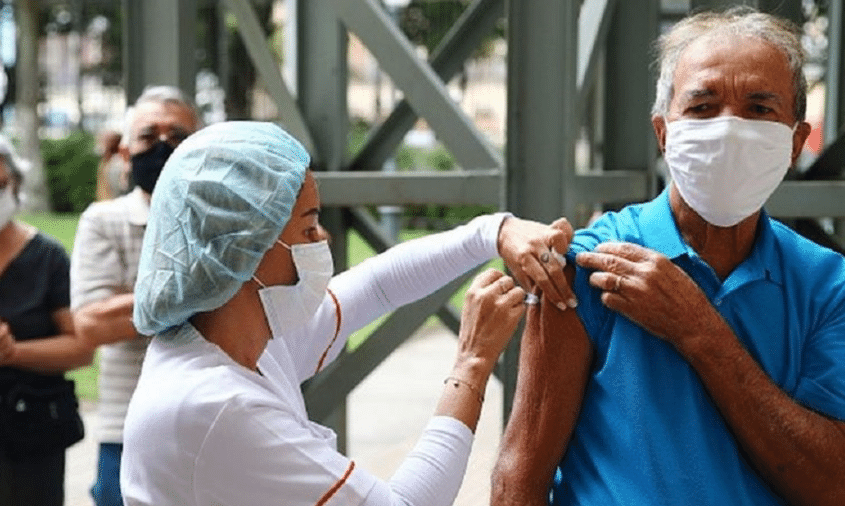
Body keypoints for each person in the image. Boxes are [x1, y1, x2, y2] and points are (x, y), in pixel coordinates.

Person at [491, 7, 845, 506]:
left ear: (793, 143)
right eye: (702, 107)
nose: (729, 130)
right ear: (663, 132)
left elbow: (832, 484)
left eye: (760, 108)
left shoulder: (828, 286)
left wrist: (697, 329)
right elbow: (518, 478)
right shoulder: (590, 265)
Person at [119, 121, 576, 506]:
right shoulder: (218, 407)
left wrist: (492, 232)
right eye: (308, 226)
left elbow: (376, 286)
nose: (324, 240)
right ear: (246, 249)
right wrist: (472, 363)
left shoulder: (242, 344)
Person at [70, 85, 201, 506]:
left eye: (178, 136)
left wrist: (134, 299)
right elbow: (91, 324)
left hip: (210, 420)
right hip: (127, 428)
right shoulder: (104, 220)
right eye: (149, 136)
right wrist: (203, 289)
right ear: (125, 153)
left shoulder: (217, 220)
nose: (164, 147)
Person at [0, 128, 88, 506]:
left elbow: (80, 347)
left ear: (14, 184)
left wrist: (10, 352)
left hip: (28, 440)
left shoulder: (47, 257)